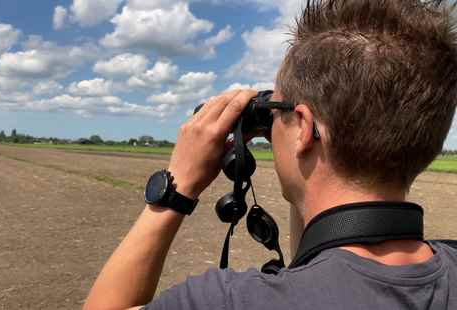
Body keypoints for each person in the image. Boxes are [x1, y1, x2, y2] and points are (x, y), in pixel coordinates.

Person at [83, 0, 457, 309]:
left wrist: (174, 191)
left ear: (305, 129)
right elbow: (320, 255)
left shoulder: (231, 301)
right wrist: (291, 133)